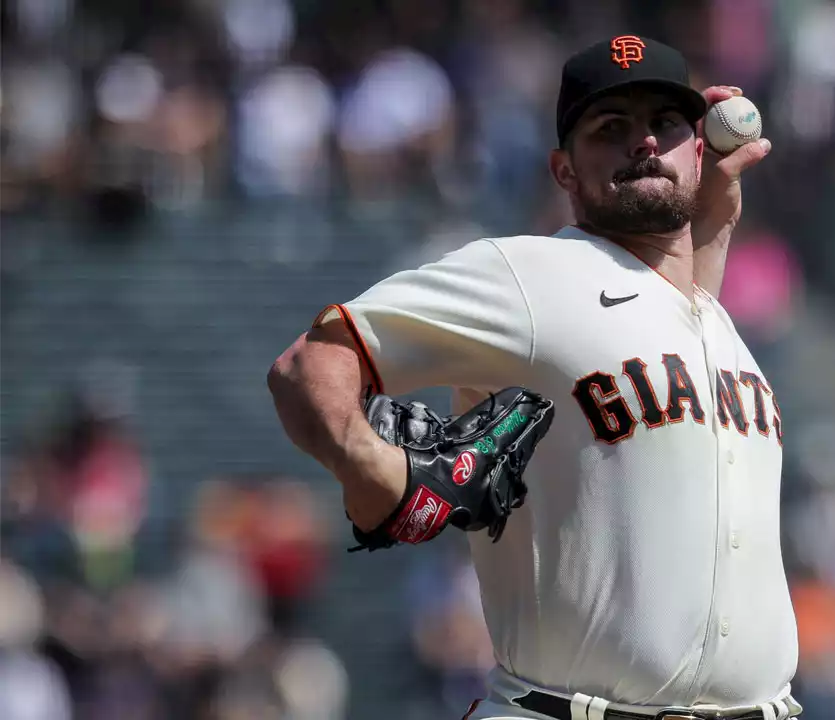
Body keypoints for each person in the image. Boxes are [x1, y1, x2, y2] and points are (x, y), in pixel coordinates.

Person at [268, 35, 799, 720]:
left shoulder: (711, 323)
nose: (643, 142)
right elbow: (307, 364)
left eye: (665, 124)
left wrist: (714, 224)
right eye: (611, 128)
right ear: (564, 170)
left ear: (698, 147)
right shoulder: (526, 276)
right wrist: (377, 467)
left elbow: (656, 323)